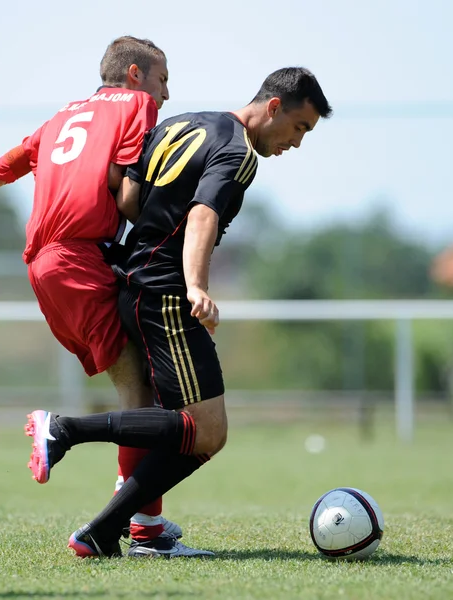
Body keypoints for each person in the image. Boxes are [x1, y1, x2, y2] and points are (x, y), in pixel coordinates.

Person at [25, 66, 333, 558]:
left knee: (172, 420)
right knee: (206, 432)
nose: (297, 142)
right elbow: (203, 214)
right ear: (274, 107)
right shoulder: (237, 153)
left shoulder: (178, 124)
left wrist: (152, 242)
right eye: (299, 127)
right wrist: (194, 285)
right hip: (167, 294)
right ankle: (64, 430)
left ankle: (109, 531)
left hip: (131, 280)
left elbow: (127, 197)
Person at [0, 36, 206, 556]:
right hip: (79, 257)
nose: (167, 93)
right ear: (136, 75)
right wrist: (174, 226)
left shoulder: (65, 115)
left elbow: (18, 157)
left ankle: (143, 520)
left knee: (144, 378)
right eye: (163, 79)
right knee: (140, 386)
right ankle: (139, 523)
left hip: (47, 262)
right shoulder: (136, 105)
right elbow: (125, 184)